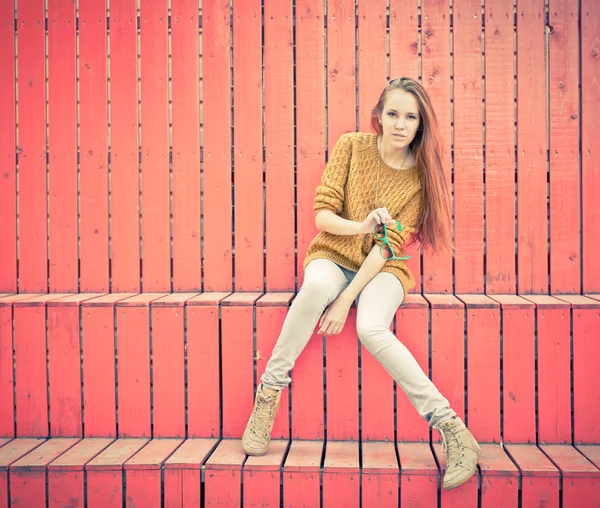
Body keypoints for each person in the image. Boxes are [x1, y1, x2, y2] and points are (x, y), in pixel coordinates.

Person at [241, 77, 480, 490]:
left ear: (420, 125)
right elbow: (322, 215)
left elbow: (387, 249)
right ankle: (268, 393)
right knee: (315, 288)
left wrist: (346, 300)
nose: (400, 124)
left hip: (385, 268)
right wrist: (363, 224)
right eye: (393, 114)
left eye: (410, 117)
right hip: (333, 253)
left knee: (370, 326)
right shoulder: (351, 147)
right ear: (379, 117)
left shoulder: (419, 180)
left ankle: (453, 429)